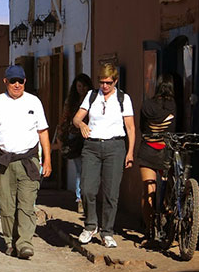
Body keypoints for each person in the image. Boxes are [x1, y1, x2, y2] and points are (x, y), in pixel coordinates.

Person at [0, 65, 51, 259]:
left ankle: (25, 243)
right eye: (13, 81)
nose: (17, 84)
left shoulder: (34, 102)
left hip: (29, 161)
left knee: (27, 204)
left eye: (20, 81)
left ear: (25, 82)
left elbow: (43, 132)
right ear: (6, 82)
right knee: (6, 206)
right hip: (5, 162)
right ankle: (10, 242)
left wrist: (48, 159)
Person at [72, 63, 136, 248]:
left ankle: (107, 232)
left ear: (115, 81)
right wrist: (82, 124)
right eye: (102, 82)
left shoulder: (124, 99)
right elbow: (77, 118)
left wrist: (130, 151)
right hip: (92, 146)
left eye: (108, 82)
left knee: (111, 193)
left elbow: (130, 127)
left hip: (115, 147)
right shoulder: (92, 96)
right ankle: (91, 225)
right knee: (87, 189)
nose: (105, 86)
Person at [137, 74, 176, 238]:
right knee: (169, 190)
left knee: (149, 191)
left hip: (148, 150)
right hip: (166, 151)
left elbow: (141, 127)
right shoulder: (174, 106)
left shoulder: (147, 105)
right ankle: (167, 223)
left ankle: (149, 230)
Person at [58, 73, 94, 213]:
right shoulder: (71, 101)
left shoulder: (94, 99)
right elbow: (64, 118)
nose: (82, 89)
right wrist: (61, 136)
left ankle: (87, 197)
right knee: (80, 169)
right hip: (74, 137)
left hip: (90, 136)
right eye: (79, 86)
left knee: (89, 170)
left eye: (84, 86)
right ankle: (80, 199)